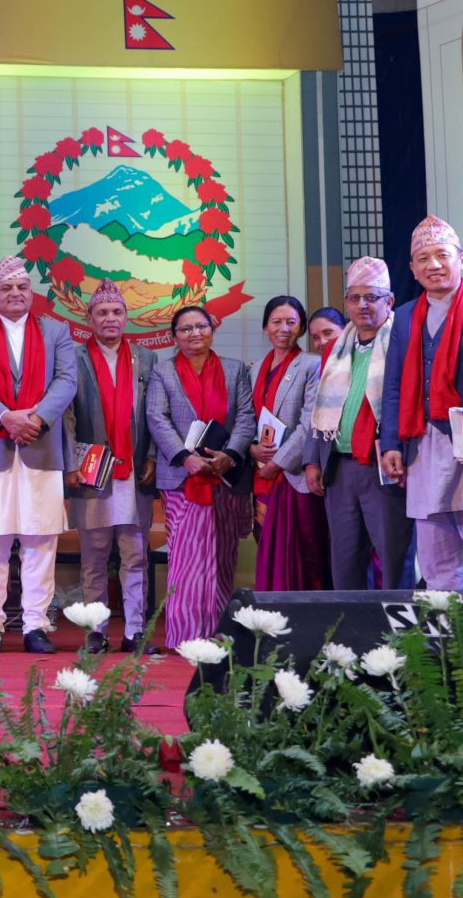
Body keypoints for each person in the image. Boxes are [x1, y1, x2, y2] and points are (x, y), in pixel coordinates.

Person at [380, 217, 463, 592]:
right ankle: (446, 627)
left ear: (461, 259)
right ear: (412, 268)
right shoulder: (404, 316)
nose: (434, 265)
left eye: (442, 255)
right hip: (422, 444)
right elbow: (393, 384)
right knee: (435, 555)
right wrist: (391, 443)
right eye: (423, 258)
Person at [0, 256, 78, 653]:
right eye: (6, 288)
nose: (15, 294)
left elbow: (66, 381)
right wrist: (6, 417)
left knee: (40, 540)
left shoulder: (57, 333)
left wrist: (37, 419)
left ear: (32, 294)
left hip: (41, 448)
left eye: (22, 287)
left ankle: (35, 626)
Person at [285, 259, 405, 590]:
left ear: (389, 301)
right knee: (345, 560)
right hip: (339, 467)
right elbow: (318, 409)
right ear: (346, 302)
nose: (362, 305)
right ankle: (350, 623)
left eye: (372, 297)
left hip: (383, 464)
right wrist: (312, 460)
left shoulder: (402, 341)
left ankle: (397, 623)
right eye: (354, 298)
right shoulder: (336, 349)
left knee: (393, 559)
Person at [145, 304, 254, 645]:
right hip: (182, 479)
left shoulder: (235, 370)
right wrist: (185, 457)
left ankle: (219, 633)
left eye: (201, 326)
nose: (195, 333)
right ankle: (186, 636)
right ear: (174, 337)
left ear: (212, 329)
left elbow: (246, 417)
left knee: (222, 557)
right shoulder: (163, 372)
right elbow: (157, 418)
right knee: (186, 558)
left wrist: (230, 455)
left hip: (225, 476)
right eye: (186, 329)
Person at [63, 279, 155, 654]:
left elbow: (155, 415)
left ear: (126, 316)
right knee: (94, 557)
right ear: (89, 318)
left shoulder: (146, 358)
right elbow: (67, 416)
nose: (110, 318)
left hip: (133, 471)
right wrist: (71, 462)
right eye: (102, 312)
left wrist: (151, 456)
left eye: (117, 311)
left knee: (135, 556)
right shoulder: (73, 358)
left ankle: (135, 632)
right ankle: (95, 632)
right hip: (91, 471)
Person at [248, 296, 327, 592]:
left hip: (294, 475)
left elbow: (310, 422)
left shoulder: (312, 365)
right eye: (276, 322)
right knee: (266, 545)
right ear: (265, 328)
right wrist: (251, 449)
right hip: (261, 473)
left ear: (301, 328)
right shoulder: (255, 369)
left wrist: (278, 462)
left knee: (308, 553)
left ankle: (309, 610)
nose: (284, 328)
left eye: (291, 322)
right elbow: (246, 418)